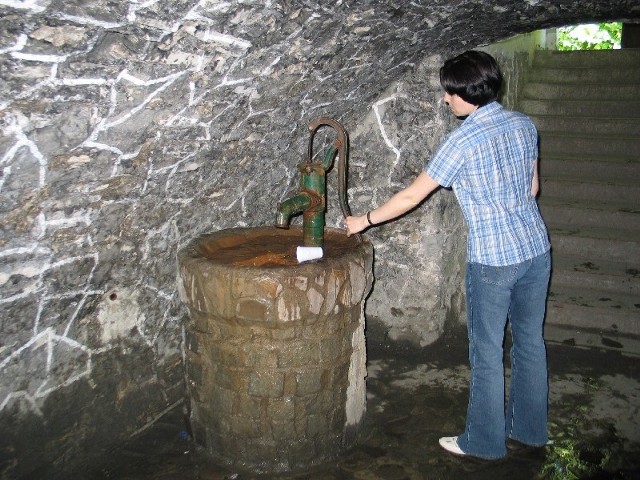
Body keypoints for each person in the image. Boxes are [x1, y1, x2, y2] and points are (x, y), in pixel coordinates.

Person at [345, 50, 551, 460]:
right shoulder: (524, 125)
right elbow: (533, 190)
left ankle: (484, 442)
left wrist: (362, 221)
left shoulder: (462, 141)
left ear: (465, 93)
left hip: (493, 260)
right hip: (536, 250)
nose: (445, 100)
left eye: (449, 93)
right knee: (529, 342)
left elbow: (410, 196)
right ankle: (530, 431)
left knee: (487, 352)